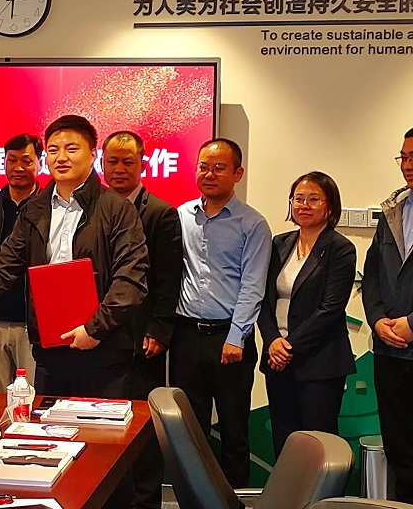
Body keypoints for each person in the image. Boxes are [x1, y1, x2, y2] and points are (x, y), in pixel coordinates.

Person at [0, 115, 149, 399]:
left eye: (71, 149)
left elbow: (130, 279)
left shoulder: (118, 209)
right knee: (46, 425)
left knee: (99, 427)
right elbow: (3, 267)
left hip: (104, 350)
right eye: (54, 150)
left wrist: (95, 329)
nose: (61, 157)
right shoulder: (35, 209)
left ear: (93, 154)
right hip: (49, 351)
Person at [170, 138, 272, 489]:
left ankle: (234, 498)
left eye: (219, 168)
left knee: (233, 430)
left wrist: (236, 337)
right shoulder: (181, 216)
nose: (209, 174)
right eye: (203, 167)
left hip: (230, 339)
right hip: (186, 337)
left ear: (237, 173)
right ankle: (193, 497)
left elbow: (253, 286)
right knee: (189, 428)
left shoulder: (252, 223)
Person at [102, 130, 182, 509]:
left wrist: (158, 328)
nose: (119, 169)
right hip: (99, 337)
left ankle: (146, 501)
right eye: (112, 161)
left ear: (142, 164)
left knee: (142, 424)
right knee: (104, 424)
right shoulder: (92, 208)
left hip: (142, 338)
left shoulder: (161, 213)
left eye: (127, 162)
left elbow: (168, 279)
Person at [258, 171, 356, 458]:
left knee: (317, 445)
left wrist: (288, 348)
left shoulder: (340, 249)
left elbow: (330, 309)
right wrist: (272, 341)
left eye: (314, 199)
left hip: (319, 363)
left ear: (330, 207)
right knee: (284, 441)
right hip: (276, 359)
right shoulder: (279, 243)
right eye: (298, 199)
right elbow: (262, 298)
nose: (304, 205)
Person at [364, 128, 413, 502]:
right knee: (400, 449)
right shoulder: (393, 210)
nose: (407, 165)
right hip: (390, 351)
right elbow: (373, 275)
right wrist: (378, 319)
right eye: (404, 157)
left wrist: (412, 324)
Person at [0, 133, 41, 393]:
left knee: (33, 399)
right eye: (12, 160)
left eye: (26, 161)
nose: (18, 167)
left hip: (33, 325)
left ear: (39, 163)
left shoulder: (47, 207)